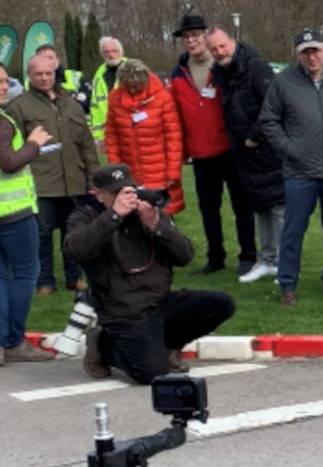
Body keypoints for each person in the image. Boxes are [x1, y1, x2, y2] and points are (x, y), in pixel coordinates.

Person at [64, 164, 235, 385]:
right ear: (97, 194)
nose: (126, 198)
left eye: (128, 190)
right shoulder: (85, 216)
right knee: (152, 374)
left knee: (221, 303)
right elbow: (76, 250)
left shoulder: (148, 212)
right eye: (116, 193)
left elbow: (185, 256)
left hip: (160, 301)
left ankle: (169, 346)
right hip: (123, 312)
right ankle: (104, 345)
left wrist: (156, 226)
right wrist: (113, 216)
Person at [259, 29, 323, 305]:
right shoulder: (283, 82)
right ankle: (287, 285)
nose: (312, 56)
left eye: (315, 50)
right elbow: (268, 120)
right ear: (298, 55)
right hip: (299, 173)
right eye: (305, 52)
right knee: (293, 231)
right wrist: (290, 149)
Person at [4, 54, 98, 296]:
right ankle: (45, 281)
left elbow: (87, 144)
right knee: (42, 235)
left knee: (74, 231)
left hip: (74, 180)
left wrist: (93, 177)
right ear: (29, 76)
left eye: (49, 73)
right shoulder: (18, 107)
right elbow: (13, 148)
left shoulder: (72, 104)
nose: (45, 78)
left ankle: (74, 277)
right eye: (39, 74)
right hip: (42, 182)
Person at [171, 16, 255, 275]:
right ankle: (215, 257)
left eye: (195, 35)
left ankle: (248, 255)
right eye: (186, 37)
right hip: (201, 153)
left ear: (205, 36)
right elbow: (176, 115)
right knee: (208, 210)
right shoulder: (178, 73)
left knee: (241, 206)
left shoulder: (223, 66)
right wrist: (184, 150)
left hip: (230, 149)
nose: (191, 40)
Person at [207, 28, 286, 284]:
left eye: (222, 46)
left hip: (266, 149)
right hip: (243, 153)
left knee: (277, 207)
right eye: (214, 49)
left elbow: (273, 105)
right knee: (259, 206)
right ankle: (267, 260)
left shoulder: (256, 67)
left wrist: (254, 135)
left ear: (233, 41)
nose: (219, 52)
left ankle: (285, 263)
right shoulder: (220, 73)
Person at [0, 63, 56, 366]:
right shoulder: (3, 120)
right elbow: (9, 163)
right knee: (25, 273)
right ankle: (13, 341)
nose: (4, 87)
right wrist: (34, 144)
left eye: (5, 80)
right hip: (12, 213)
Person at [105, 60, 186, 216]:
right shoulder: (114, 99)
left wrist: (173, 172)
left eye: (137, 86)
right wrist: (116, 168)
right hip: (129, 172)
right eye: (128, 86)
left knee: (162, 220)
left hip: (160, 172)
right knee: (133, 220)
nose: (133, 90)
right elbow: (112, 137)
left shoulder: (162, 97)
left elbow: (173, 137)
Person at [25, 45, 91, 113]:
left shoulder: (76, 76)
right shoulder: (29, 82)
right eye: (43, 59)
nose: (47, 61)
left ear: (58, 60)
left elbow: (89, 104)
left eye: (50, 58)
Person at [90, 37, 127, 143]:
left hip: (131, 131)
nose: (110, 55)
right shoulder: (98, 75)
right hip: (108, 134)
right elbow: (95, 107)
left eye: (114, 51)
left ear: (121, 52)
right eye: (106, 52)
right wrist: (98, 137)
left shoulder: (133, 69)